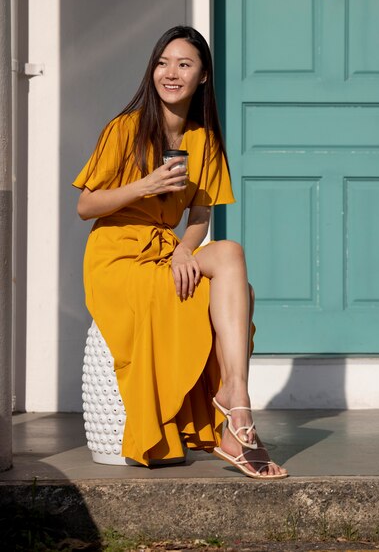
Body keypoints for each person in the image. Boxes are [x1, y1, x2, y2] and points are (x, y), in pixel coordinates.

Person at [73, 26, 288, 479]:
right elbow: (86, 205)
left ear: (203, 76)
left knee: (230, 255)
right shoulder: (125, 128)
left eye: (184, 64)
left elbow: (200, 217)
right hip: (115, 255)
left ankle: (236, 397)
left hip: (165, 248)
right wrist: (145, 186)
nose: (171, 73)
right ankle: (236, 422)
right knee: (230, 290)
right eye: (163, 62)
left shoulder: (204, 140)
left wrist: (184, 253)